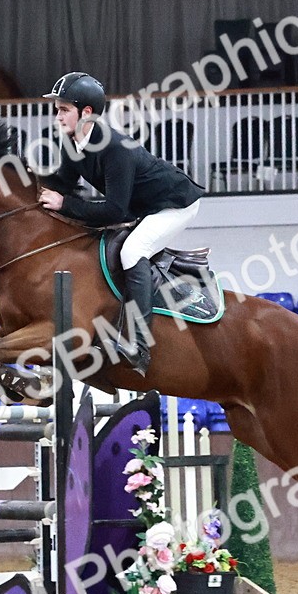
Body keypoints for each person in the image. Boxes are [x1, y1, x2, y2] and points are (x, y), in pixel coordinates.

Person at [38, 71, 205, 377]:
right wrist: (23, 179)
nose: (57, 116)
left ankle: (139, 346)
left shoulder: (114, 148)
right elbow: (63, 182)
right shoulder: (71, 141)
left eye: (63, 109)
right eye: (57, 109)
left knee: (133, 251)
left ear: (86, 112)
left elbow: (115, 211)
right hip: (143, 207)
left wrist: (65, 204)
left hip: (175, 204)